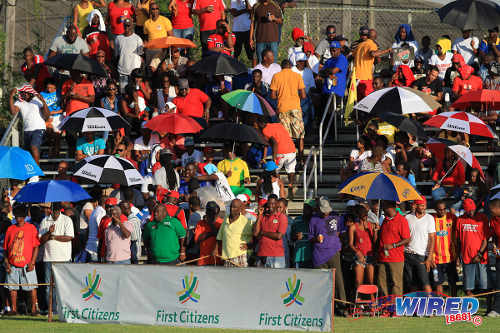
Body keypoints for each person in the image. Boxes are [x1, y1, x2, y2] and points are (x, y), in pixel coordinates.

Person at [309, 196, 346, 315]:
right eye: (324, 211)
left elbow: (340, 232)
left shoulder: (335, 217)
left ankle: (342, 307)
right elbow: (310, 238)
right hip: (319, 255)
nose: (326, 213)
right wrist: (315, 239)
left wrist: (337, 245)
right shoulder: (313, 220)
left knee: (338, 281)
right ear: (318, 209)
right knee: (319, 282)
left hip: (333, 253)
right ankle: (320, 308)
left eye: (327, 210)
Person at [3, 204, 40, 316]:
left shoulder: (31, 228)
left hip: (27, 264)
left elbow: (36, 246)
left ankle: (34, 309)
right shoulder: (10, 229)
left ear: (24, 217)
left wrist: (33, 262)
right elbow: (6, 248)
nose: (18, 219)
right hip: (13, 264)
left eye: (20, 216)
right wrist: (6, 262)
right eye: (16, 216)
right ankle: (14, 309)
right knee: (12, 288)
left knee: (32, 287)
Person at [38, 202, 74, 313]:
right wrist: (49, 232)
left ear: (60, 211)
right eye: (53, 211)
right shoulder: (44, 221)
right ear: (50, 210)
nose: (55, 213)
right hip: (48, 258)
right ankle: (52, 310)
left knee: (63, 285)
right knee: (49, 286)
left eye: (57, 211)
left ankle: (63, 309)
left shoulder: (67, 220)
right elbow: (41, 240)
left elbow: (69, 237)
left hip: (63, 258)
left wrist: (54, 237)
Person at [270, 59, 306, 164]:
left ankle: (287, 160)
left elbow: (272, 96)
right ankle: (301, 160)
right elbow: (303, 95)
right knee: (300, 135)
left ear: (281, 67)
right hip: (295, 108)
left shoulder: (276, 76)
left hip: (282, 109)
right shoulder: (297, 76)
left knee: (286, 136)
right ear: (290, 67)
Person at [9, 84, 50, 167]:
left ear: (29, 93)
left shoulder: (37, 100)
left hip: (38, 128)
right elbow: (13, 112)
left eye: (24, 93)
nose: (22, 94)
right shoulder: (19, 102)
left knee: (34, 147)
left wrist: (43, 101)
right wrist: (11, 96)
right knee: (28, 152)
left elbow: (47, 115)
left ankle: (36, 173)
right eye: (21, 93)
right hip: (27, 130)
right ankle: (31, 172)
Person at [377, 201, 411, 298]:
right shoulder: (384, 220)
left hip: (396, 258)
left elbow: (407, 239)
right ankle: (385, 305)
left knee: (396, 283)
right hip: (383, 257)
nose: (382, 209)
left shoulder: (401, 220)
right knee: (382, 282)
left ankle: (395, 307)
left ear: (391, 207)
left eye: (384, 206)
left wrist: (394, 245)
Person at [456, 199, 489, 296]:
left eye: (472, 209)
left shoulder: (482, 218)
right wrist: (458, 256)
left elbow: (486, 239)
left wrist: (479, 254)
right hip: (467, 258)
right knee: (468, 288)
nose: (471, 212)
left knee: (485, 286)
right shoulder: (460, 220)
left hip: (481, 258)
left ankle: (489, 309)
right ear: (465, 210)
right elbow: (458, 241)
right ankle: (471, 309)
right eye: (468, 210)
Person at [257, 119, 297, 199]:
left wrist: (274, 157)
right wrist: (264, 156)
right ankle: (290, 185)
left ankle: (279, 187)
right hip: (291, 149)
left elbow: (274, 143)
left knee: (275, 170)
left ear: (261, 124)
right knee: (291, 170)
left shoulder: (265, 130)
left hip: (280, 152)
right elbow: (266, 144)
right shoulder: (278, 125)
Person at [403, 197, 436, 293]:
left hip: (421, 256)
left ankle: (430, 305)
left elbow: (432, 238)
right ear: (415, 205)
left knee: (425, 283)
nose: (424, 207)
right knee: (411, 284)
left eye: (424, 205)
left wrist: (429, 257)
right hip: (407, 254)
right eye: (421, 205)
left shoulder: (429, 218)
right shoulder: (407, 217)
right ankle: (414, 306)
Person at [352, 26, 391, 99]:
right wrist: (387, 51)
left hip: (356, 77)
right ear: (376, 37)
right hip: (365, 78)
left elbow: (352, 55)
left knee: (358, 102)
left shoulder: (360, 45)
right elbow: (373, 54)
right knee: (368, 101)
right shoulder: (372, 44)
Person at [214, 199, 253, 267]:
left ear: (240, 209)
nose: (232, 209)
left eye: (234, 207)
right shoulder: (225, 219)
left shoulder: (246, 222)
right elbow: (219, 237)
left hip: (239, 256)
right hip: (226, 257)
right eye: (231, 207)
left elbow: (255, 236)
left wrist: (249, 246)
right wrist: (216, 249)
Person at [254, 196, 288, 268]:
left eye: (273, 203)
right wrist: (259, 215)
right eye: (269, 203)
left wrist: (263, 233)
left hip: (276, 256)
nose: (270, 206)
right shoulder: (263, 216)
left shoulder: (281, 217)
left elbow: (278, 236)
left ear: (277, 204)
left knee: (277, 279)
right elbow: (256, 233)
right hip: (262, 254)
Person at [432, 200, 458, 296]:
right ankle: (439, 305)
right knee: (438, 283)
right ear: (435, 210)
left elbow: (457, 236)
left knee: (453, 282)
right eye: (440, 210)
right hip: (436, 259)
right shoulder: (431, 220)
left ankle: (454, 302)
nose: (442, 212)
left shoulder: (452, 218)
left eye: (444, 209)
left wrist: (458, 256)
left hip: (450, 257)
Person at [349, 205, 377, 289]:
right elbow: (351, 244)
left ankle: (372, 300)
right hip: (359, 258)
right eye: (363, 214)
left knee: (371, 282)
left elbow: (375, 242)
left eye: (365, 213)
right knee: (358, 282)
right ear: (358, 215)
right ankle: (358, 300)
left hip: (370, 257)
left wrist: (375, 231)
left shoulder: (371, 225)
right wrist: (357, 252)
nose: (365, 215)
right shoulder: (353, 227)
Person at [114, 18, 144, 93]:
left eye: (128, 25)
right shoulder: (118, 38)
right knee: (123, 93)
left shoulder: (138, 39)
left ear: (132, 26)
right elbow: (117, 55)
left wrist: (139, 72)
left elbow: (141, 56)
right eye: (125, 25)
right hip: (122, 72)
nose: (127, 27)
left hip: (134, 73)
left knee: (135, 93)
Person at [194, 201, 223, 265]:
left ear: (217, 212)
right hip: (203, 260)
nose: (211, 214)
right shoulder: (201, 223)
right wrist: (210, 233)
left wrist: (210, 224)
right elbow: (197, 239)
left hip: (217, 259)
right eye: (209, 211)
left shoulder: (221, 223)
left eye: (213, 212)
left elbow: (220, 238)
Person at [292, 52, 315, 129]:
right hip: (294, 95)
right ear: (297, 62)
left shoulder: (308, 71)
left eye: (304, 61)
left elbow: (312, 86)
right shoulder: (292, 70)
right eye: (301, 61)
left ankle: (306, 126)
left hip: (306, 95)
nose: (303, 63)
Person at [290, 200, 314, 268]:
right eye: (304, 207)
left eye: (308, 208)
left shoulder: (316, 220)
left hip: (312, 257)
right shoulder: (297, 220)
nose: (305, 210)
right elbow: (292, 237)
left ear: (312, 210)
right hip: (298, 257)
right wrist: (296, 236)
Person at [488, 199, 500, 317]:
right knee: (498, 284)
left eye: (492, 210)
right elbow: (493, 237)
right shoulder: (493, 220)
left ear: (498, 208)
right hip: (499, 257)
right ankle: (497, 309)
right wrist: (494, 246)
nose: (490, 212)